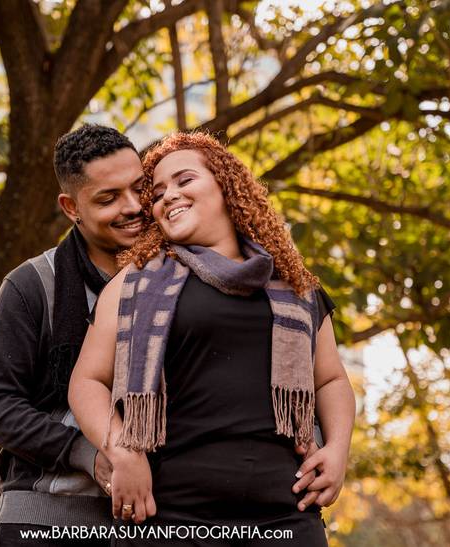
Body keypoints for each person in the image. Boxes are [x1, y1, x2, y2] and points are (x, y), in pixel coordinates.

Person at [69, 132, 355, 545]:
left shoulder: (295, 287)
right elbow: (86, 382)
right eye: (158, 192)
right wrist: (122, 451)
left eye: (184, 181)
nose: (168, 196)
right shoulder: (135, 282)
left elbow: (330, 380)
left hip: (284, 517)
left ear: (225, 185)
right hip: (169, 517)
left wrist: (338, 450)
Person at [0, 124, 146, 546]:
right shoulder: (31, 285)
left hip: (153, 525)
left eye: (140, 188)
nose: (134, 206)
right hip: (43, 522)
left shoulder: (176, 281)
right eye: (108, 198)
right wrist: (87, 455)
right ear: (71, 207)